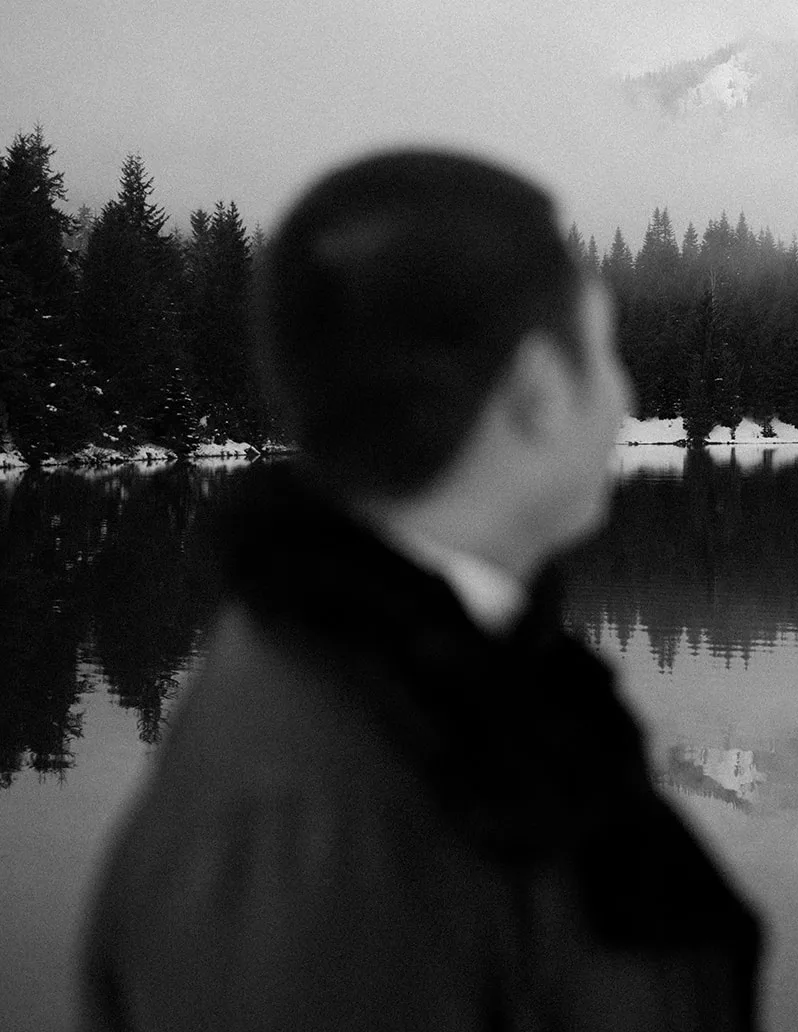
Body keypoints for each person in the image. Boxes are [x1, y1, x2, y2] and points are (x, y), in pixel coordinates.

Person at [80, 150, 762, 1031]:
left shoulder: (454, 691)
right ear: (537, 393)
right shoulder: (306, 829)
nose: (625, 399)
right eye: (605, 350)